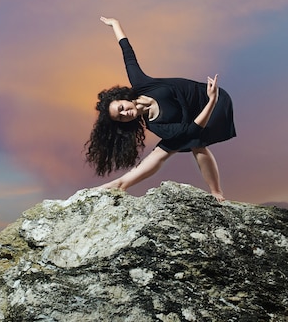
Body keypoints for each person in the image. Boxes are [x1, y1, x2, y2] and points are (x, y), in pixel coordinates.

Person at [85, 17, 236, 202]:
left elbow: (128, 54)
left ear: (123, 99)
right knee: (191, 141)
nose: (125, 113)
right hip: (207, 109)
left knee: (190, 142)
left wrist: (115, 24)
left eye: (122, 108)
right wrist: (210, 102)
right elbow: (193, 130)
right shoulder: (157, 125)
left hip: (216, 100)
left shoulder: (141, 84)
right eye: (121, 117)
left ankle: (121, 184)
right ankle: (216, 192)